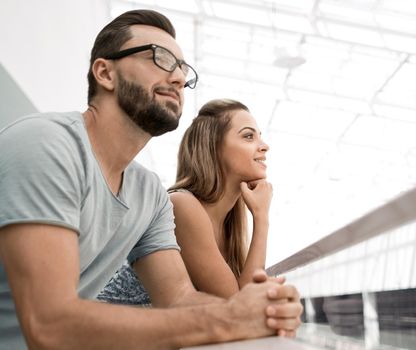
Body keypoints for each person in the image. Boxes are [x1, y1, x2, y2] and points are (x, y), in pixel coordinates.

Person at [0, 9, 302, 350]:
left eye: (182, 71)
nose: (176, 78)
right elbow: (49, 325)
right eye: (159, 58)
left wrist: (264, 312)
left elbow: (179, 298)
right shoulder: (45, 144)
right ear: (105, 73)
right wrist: (231, 317)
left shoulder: (149, 194)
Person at [98, 99, 272, 304]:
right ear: (214, 147)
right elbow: (240, 305)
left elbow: (245, 301)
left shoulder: (229, 225)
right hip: (104, 331)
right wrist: (262, 218)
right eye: (248, 136)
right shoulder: (182, 205)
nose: (264, 146)